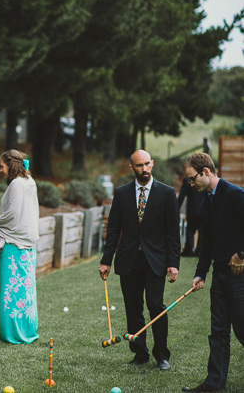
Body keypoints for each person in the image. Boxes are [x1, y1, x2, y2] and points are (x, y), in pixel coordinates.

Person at [99, 150, 180, 371]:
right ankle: (140, 353)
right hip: (129, 261)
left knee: (156, 306)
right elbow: (113, 229)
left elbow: (173, 232)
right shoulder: (122, 193)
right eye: (138, 166)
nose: (143, 169)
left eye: (146, 164)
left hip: (156, 261)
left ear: (152, 164)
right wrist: (106, 260)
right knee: (133, 309)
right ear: (131, 168)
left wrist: (173, 263)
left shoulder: (166, 193)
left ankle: (162, 354)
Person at [181, 153, 244, 393]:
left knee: (242, 329)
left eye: (192, 178)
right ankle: (214, 383)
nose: (191, 184)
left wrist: (241, 254)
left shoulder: (235, 194)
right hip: (218, 275)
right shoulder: (206, 202)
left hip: (239, 276)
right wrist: (200, 274)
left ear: (206, 171)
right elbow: (206, 242)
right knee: (218, 331)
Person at [0, 150, 40, 344]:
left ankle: (12, 334)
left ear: (10, 165)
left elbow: (11, 214)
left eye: (2, 166)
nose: (0, 170)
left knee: (10, 290)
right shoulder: (30, 182)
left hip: (13, 244)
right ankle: (27, 330)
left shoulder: (16, 184)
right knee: (27, 290)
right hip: (28, 245)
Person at [178, 177, 203, 257]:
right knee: (202, 232)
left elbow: (182, 195)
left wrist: (176, 208)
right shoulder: (204, 179)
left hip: (192, 210)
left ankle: (189, 250)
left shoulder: (188, 180)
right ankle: (199, 251)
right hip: (203, 210)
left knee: (190, 230)